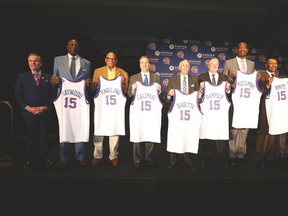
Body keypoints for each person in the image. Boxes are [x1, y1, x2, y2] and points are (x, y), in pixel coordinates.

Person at [51, 39, 91, 169]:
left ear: (79, 48)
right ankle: (64, 158)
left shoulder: (87, 63)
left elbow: (88, 83)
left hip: (79, 101)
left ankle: (80, 157)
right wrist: (54, 81)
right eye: (71, 44)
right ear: (67, 46)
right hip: (64, 99)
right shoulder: (58, 60)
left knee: (80, 127)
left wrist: (88, 83)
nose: (74, 46)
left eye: (76, 45)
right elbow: (53, 78)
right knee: (64, 127)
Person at [15, 53, 54, 168]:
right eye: (30, 61)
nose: (33, 63)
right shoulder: (22, 77)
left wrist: (46, 107)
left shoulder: (48, 77)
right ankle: (30, 159)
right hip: (29, 112)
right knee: (31, 136)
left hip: (44, 112)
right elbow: (18, 95)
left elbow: (53, 95)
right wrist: (28, 108)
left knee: (44, 136)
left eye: (36, 61)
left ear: (41, 63)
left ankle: (45, 158)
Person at [90, 51, 129, 167]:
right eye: (108, 58)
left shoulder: (123, 73)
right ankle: (97, 155)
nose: (111, 61)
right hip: (101, 106)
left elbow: (125, 92)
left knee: (114, 131)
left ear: (116, 61)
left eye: (113, 59)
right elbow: (92, 90)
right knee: (98, 131)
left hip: (115, 107)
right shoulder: (98, 71)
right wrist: (94, 84)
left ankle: (113, 155)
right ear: (105, 60)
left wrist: (122, 84)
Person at [222, 41, 255, 166]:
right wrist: (230, 77)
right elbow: (224, 81)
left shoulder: (251, 64)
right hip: (234, 99)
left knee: (244, 127)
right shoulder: (228, 62)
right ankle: (232, 153)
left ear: (247, 50)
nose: (242, 50)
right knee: (234, 127)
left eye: (244, 48)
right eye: (240, 48)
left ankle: (241, 153)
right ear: (236, 50)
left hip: (247, 101)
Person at [128, 55, 162, 168]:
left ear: (149, 64)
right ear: (139, 64)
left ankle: (148, 157)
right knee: (137, 134)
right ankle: (136, 158)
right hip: (138, 112)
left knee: (150, 134)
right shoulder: (133, 77)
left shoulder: (156, 77)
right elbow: (129, 94)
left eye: (146, 62)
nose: (144, 65)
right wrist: (133, 89)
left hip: (151, 112)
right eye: (142, 63)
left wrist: (160, 91)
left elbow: (159, 95)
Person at [197, 58, 231, 168]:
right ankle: (204, 159)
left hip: (220, 115)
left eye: (217, 64)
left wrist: (228, 89)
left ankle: (222, 160)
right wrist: (200, 89)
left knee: (221, 139)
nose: (215, 66)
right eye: (212, 64)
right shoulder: (201, 78)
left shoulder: (224, 78)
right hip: (207, 114)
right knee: (206, 139)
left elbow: (228, 95)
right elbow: (197, 97)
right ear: (208, 65)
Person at [166, 59, 199, 169]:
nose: (185, 67)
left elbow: (198, 97)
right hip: (176, 112)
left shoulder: (194, 79)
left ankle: (187, 158)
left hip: (189, 113)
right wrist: (169, 94)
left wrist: (200, 94)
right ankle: (173, 160)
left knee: (188, 134)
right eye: (183, 65)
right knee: (174, 134)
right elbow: (166, 97)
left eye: (187, 65)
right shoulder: (172, 79)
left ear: (189, 68)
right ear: (179, 68)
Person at [254, 58, 280, 167]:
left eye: (275, 63)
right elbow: (258, 91)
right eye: (271, 63)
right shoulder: (261, 75)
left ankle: (270, 157)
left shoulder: (278, 77)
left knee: (273, 132)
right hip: (264, 108)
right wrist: (267, 84)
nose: (273, 65)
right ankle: (260, 157)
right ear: (266, 65)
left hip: (276, 108)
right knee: (263, 133)